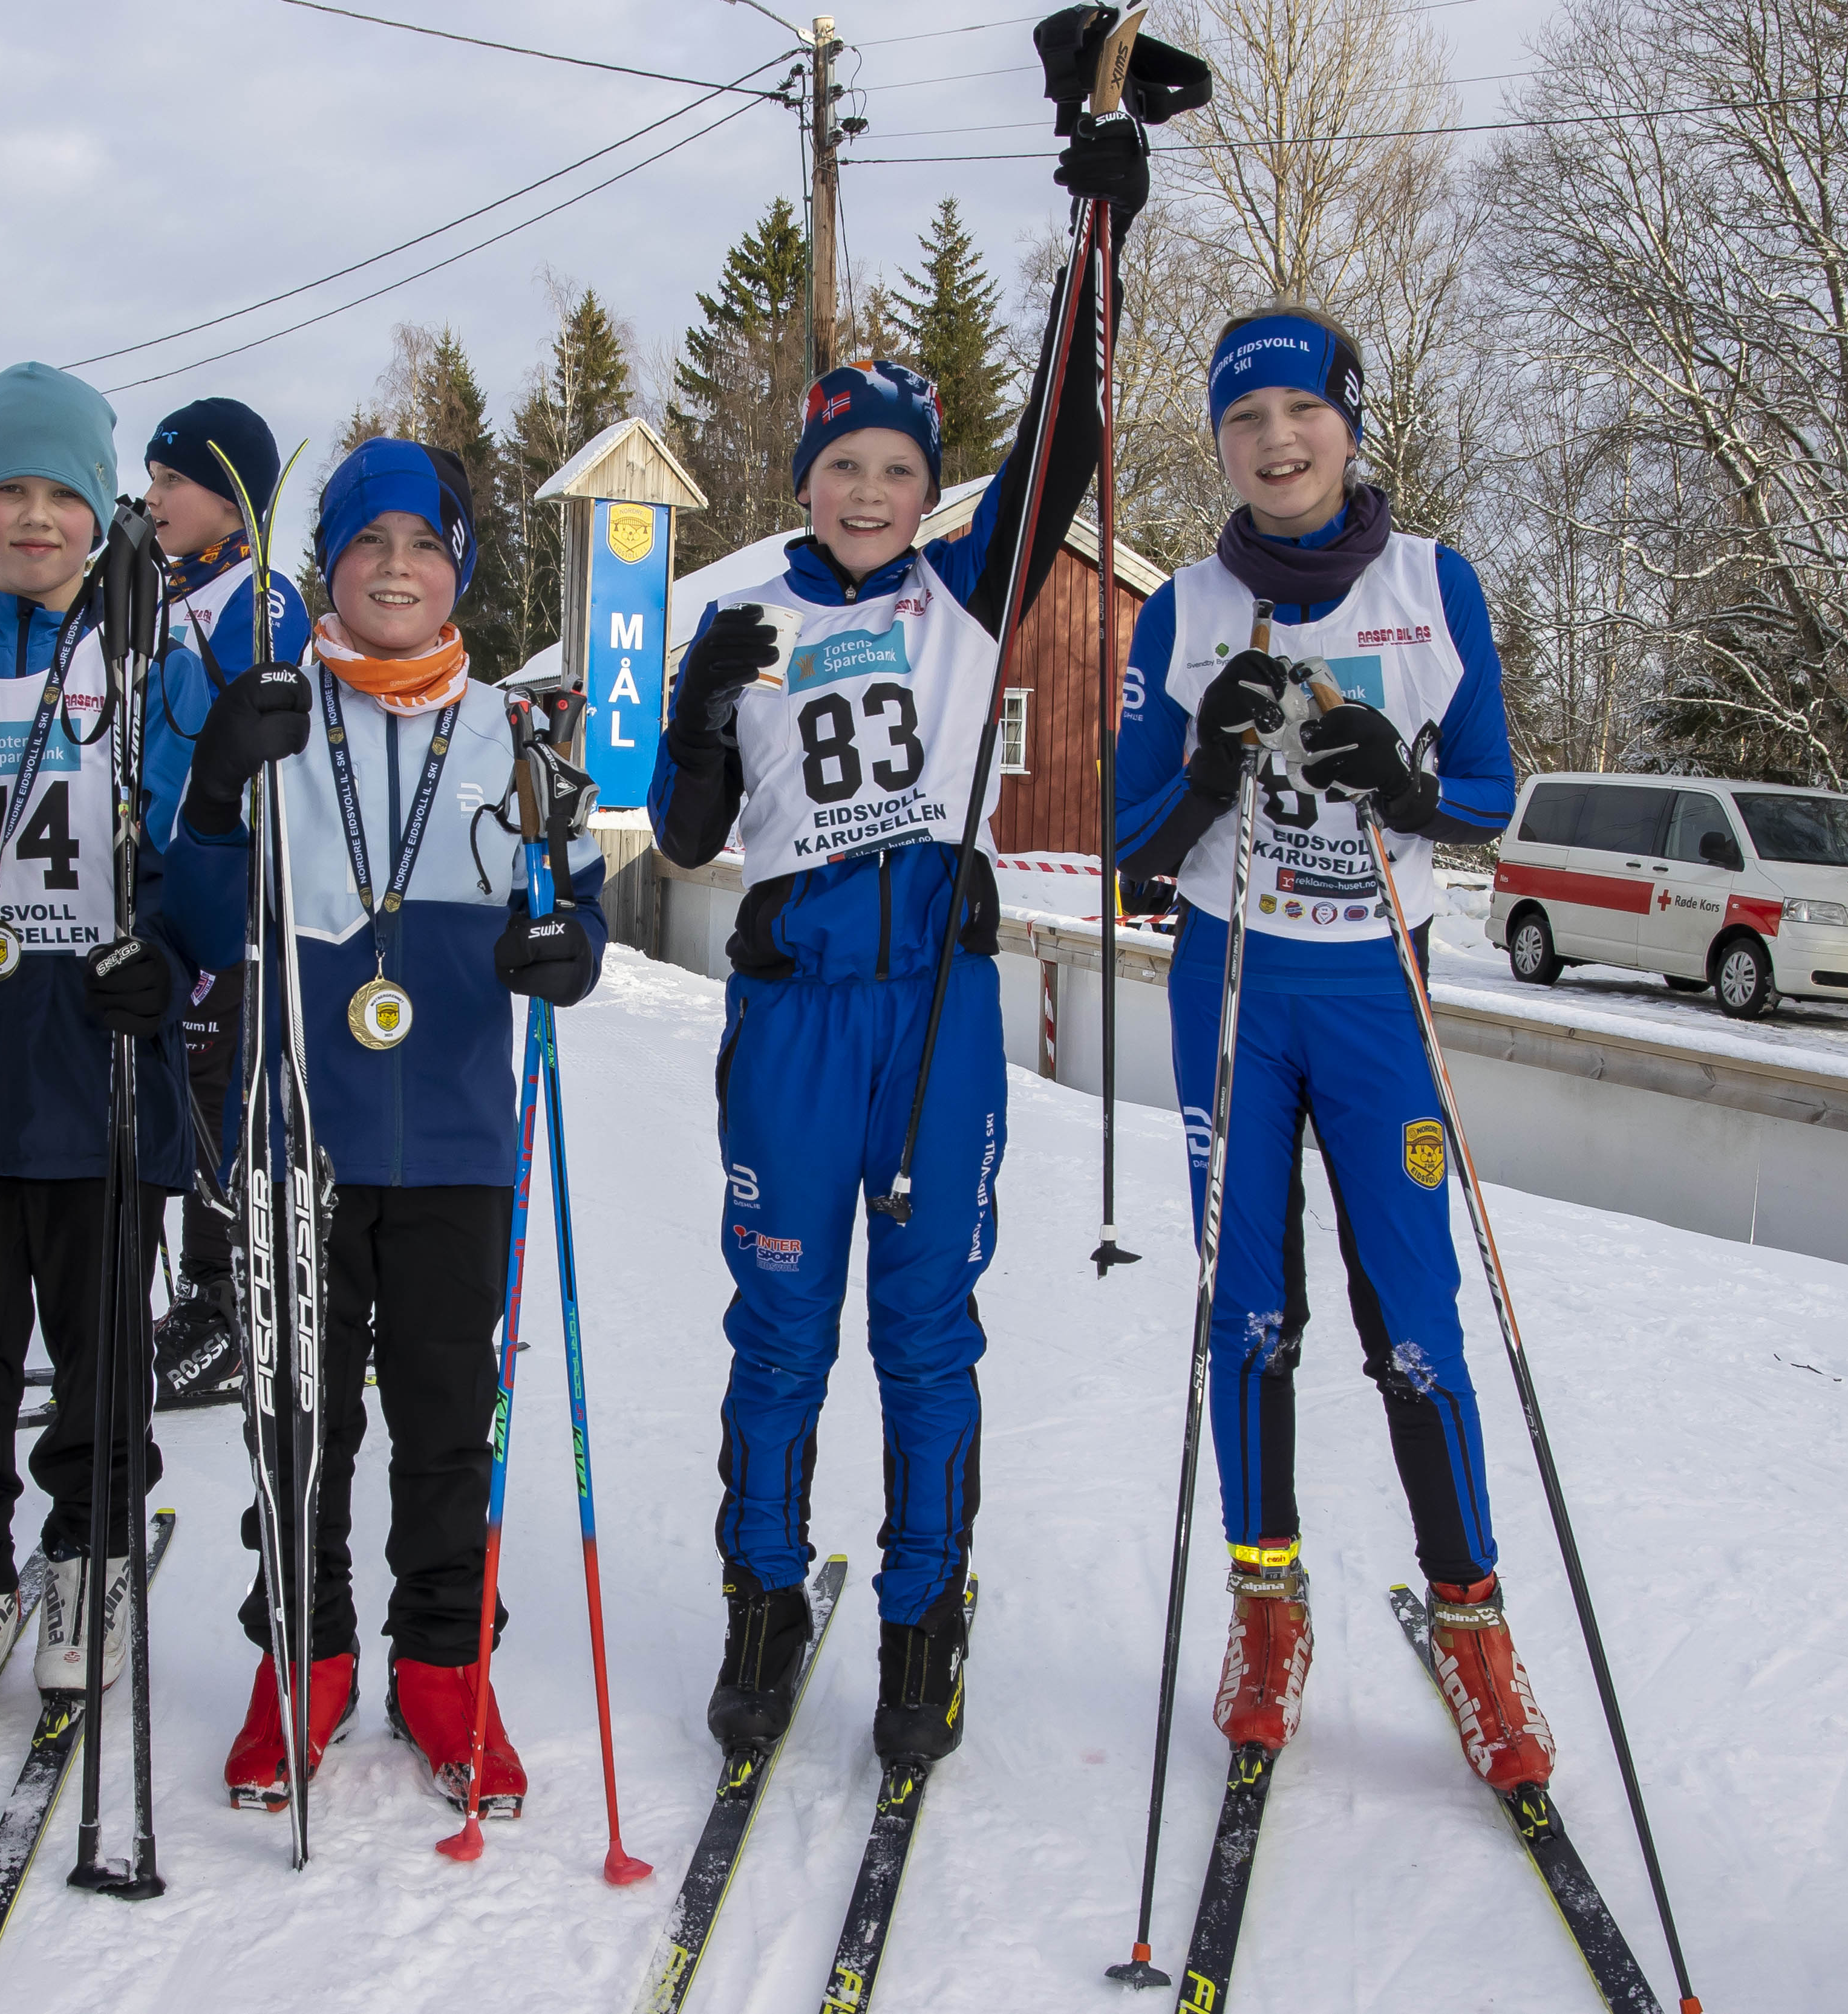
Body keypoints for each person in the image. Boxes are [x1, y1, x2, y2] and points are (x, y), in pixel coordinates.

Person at [645, 117, 1147, 1761]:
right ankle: (762, 1598)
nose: (870, 493)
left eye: (898, 470)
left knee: (928, 1329)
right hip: (793, 1021)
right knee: (779, 1329)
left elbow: (1067, 431)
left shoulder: (968, 595)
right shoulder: (748, 614)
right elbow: (688, 837)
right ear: (806, 479)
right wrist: (703, 712)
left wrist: (1098, 230)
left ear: (931, 489)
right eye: (843, 466)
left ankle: (927, 1613)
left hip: (932, 1016)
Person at [1111, 301, 1541, 1788]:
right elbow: (1127, 857)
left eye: (1299, 415)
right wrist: (1209, 769)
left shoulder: (1435, 586)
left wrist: (1404, 788)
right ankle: (1264, 1609)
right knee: (1246, 1312)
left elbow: (1490, 792)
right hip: (1235, 980)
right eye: (1243, 423)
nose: (1274, 444)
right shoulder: (1181, 607)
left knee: (1413, 1317)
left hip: (1376, 986)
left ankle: (1477, 1632)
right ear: (1219, 444)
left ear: (1349, 426)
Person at [164, 438, 606, 1814]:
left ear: (456, 566)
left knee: (441, 1417)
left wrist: (567, 949)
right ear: (328, 571)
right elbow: (189, 924)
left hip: (463, 1142)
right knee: (299, 1417)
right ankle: (302, 1655)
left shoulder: (518, 732)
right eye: (367, 546)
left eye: (422, 545)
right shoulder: (278, 713)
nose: (396, 569)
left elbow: (576, 906)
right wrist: (219, 786)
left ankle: (441, 1665)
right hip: (301, 1132)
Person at [0, 363, 220, 1729]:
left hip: (100, 1072)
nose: (34, 519)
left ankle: (89, 1556)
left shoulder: (153, 661)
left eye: (61, 495)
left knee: (103, 1359)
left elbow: (211, 865)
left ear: (100, 511)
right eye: (6, 494)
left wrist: (170, 952)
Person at [139, 397, 310, 1412]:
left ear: (233, 498)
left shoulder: (261, 599)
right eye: (153, 479)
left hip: (232, 890)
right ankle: (186, 1287)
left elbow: (246, 736)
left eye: (174, 482)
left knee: (218, 1095)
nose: (154, 497)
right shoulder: (162, 590)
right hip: (154, 879)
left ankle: (225, 1302)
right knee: (166, 1089)